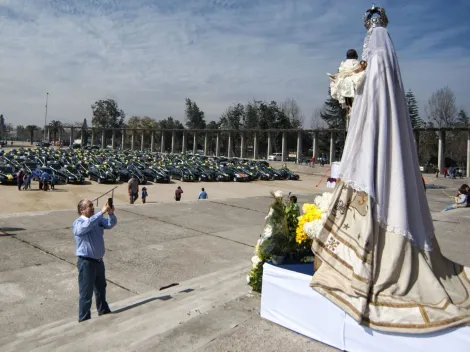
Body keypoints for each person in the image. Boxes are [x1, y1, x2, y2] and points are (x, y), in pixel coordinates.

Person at [309, 6, 470, 334]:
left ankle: (371, 267)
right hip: (374, 127)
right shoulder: (382, 55)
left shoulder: (379, 50)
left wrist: (355, 87)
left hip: (375, 130)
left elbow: (374, 93)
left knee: (379, 191)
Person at [72, 199, 117, 322]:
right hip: (86, 263)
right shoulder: (78, 223)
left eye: (93, 205)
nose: (92, 207)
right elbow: (85, 227)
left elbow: (110, 224)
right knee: (86, 293)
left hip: (98, 261)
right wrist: (101, 212)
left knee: (101, 288)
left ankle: (103, 310)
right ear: (82, 210)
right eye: (89, 206)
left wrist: (111, 213)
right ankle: (84, 319)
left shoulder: (97, 220)